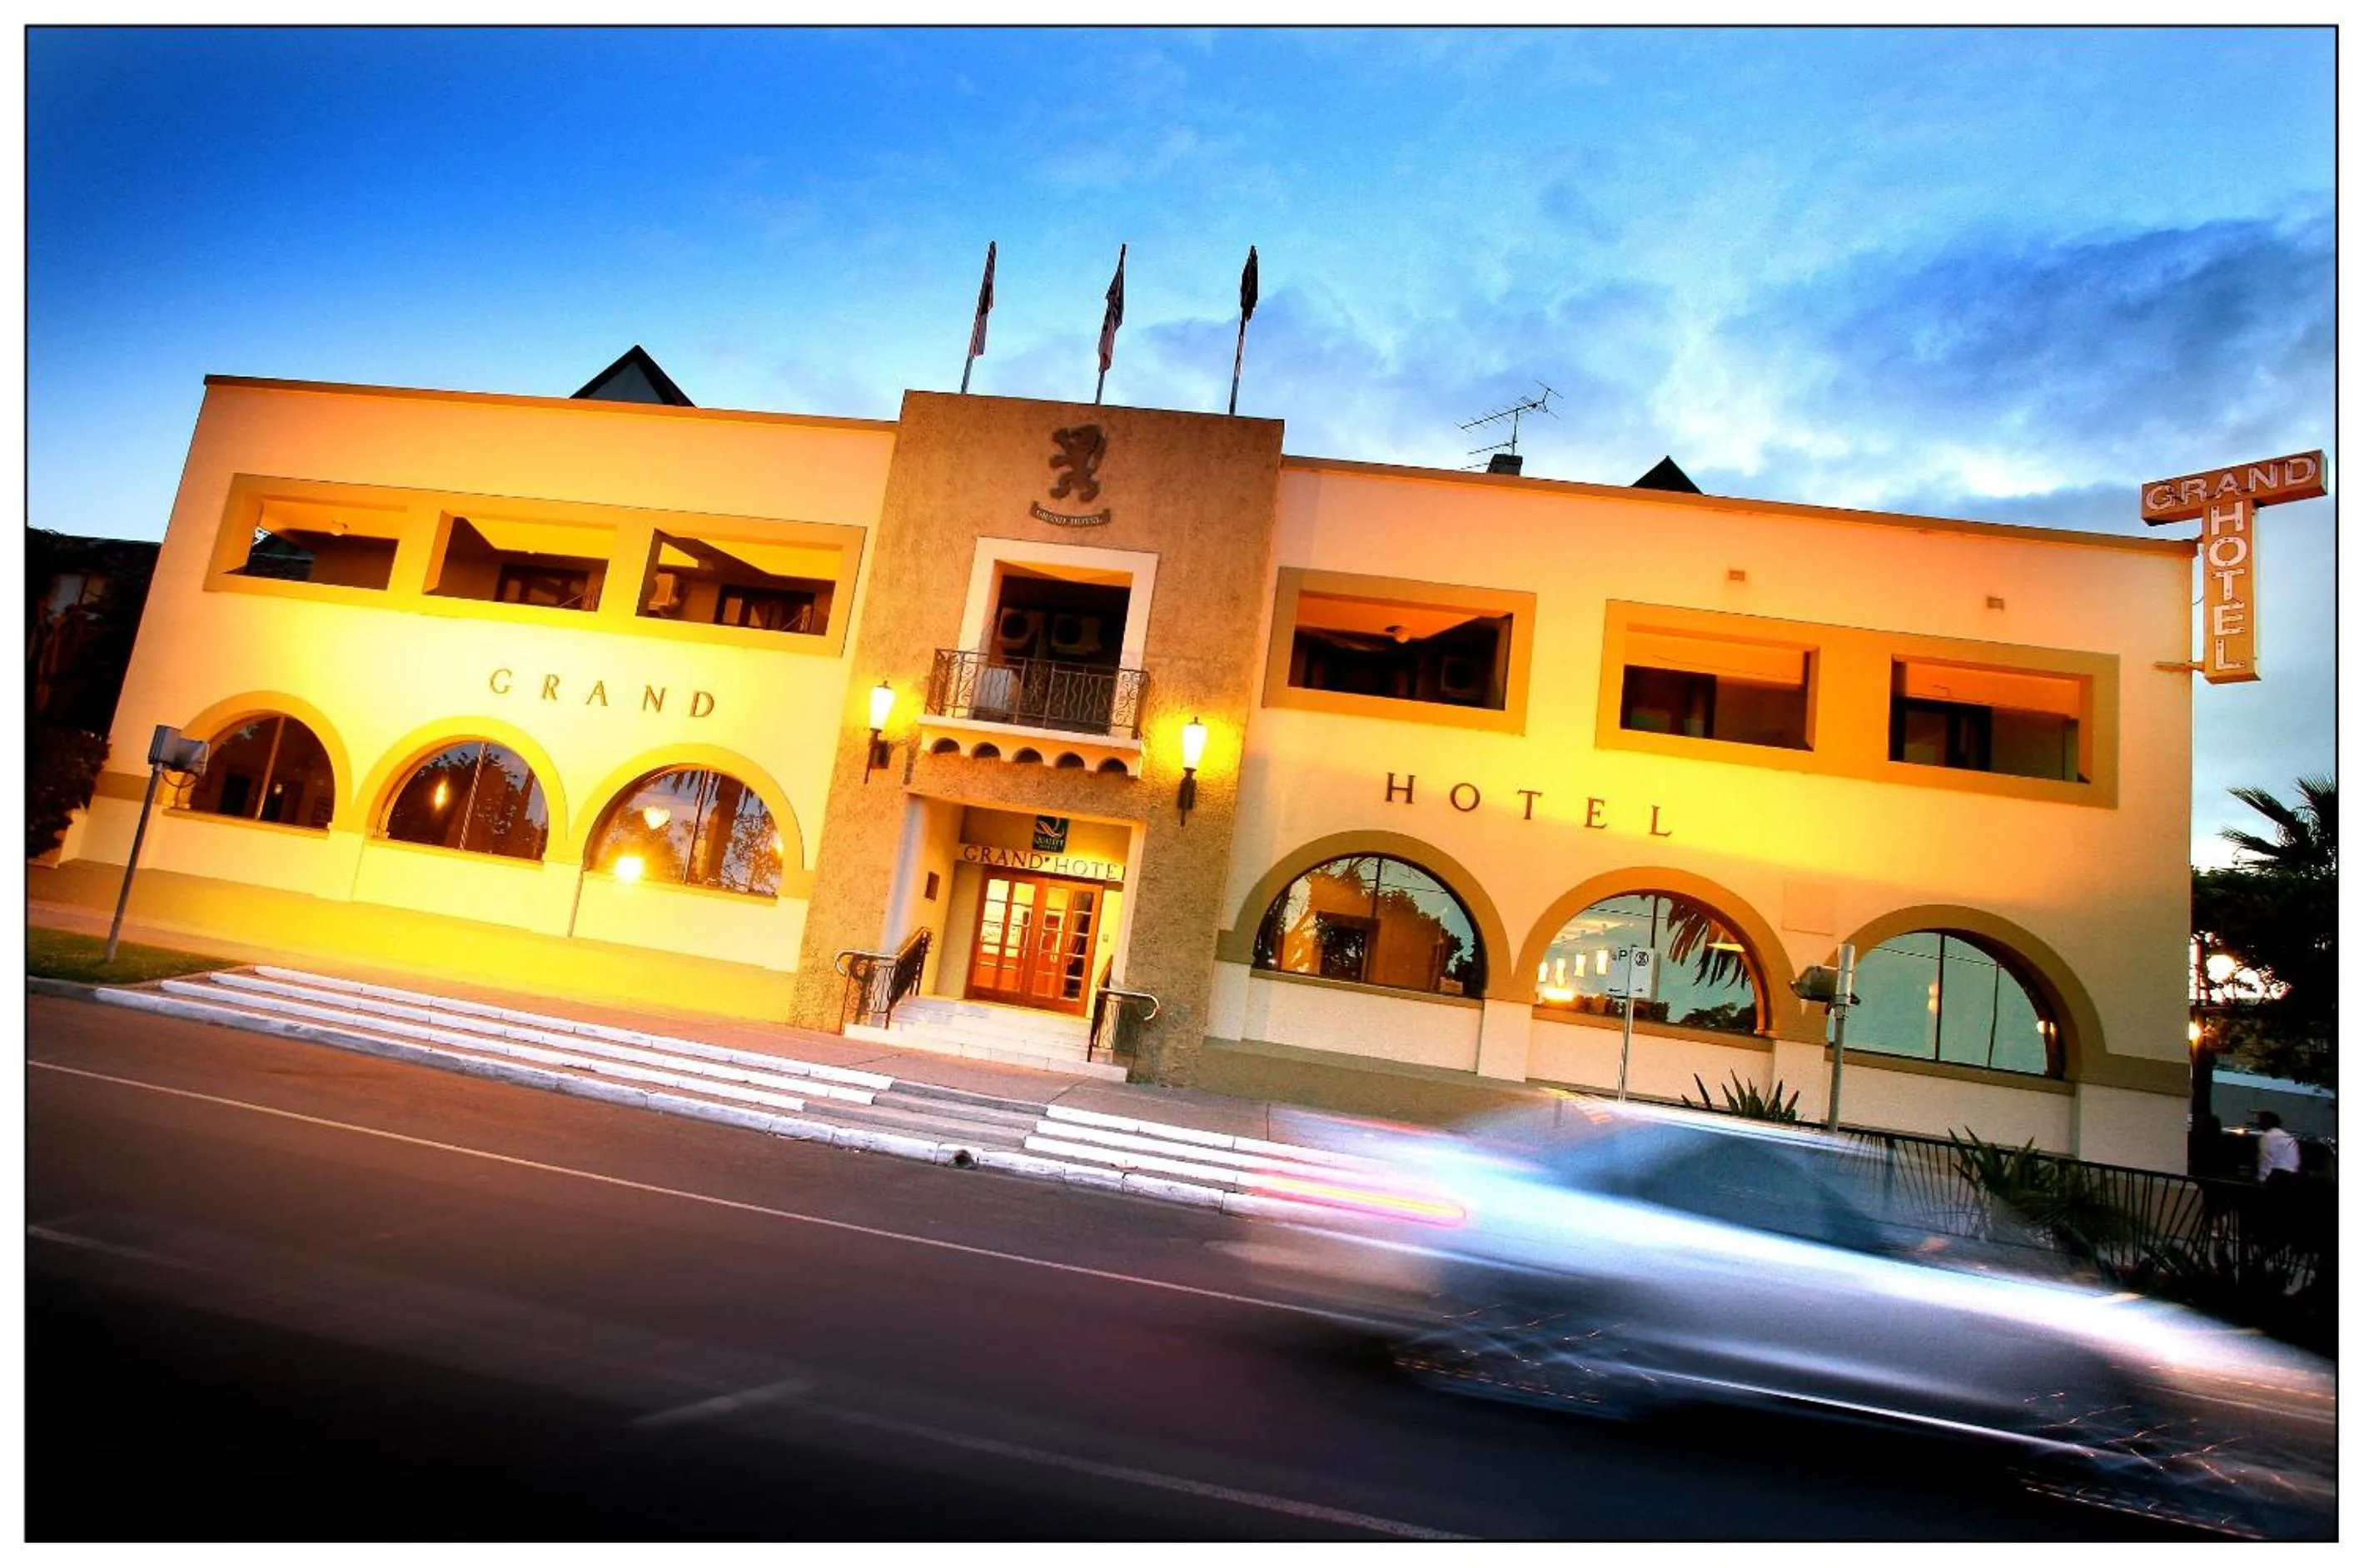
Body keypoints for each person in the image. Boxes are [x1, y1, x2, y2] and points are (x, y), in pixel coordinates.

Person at [2255, 1110, 2302, 1186]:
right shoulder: (2289, 1137)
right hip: (2292, 1178)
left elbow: (2266, 1159)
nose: (2258, 1123)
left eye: (2260, 1121)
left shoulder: (2268, 1137)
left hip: (2276, 1178)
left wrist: (2262, 1179)